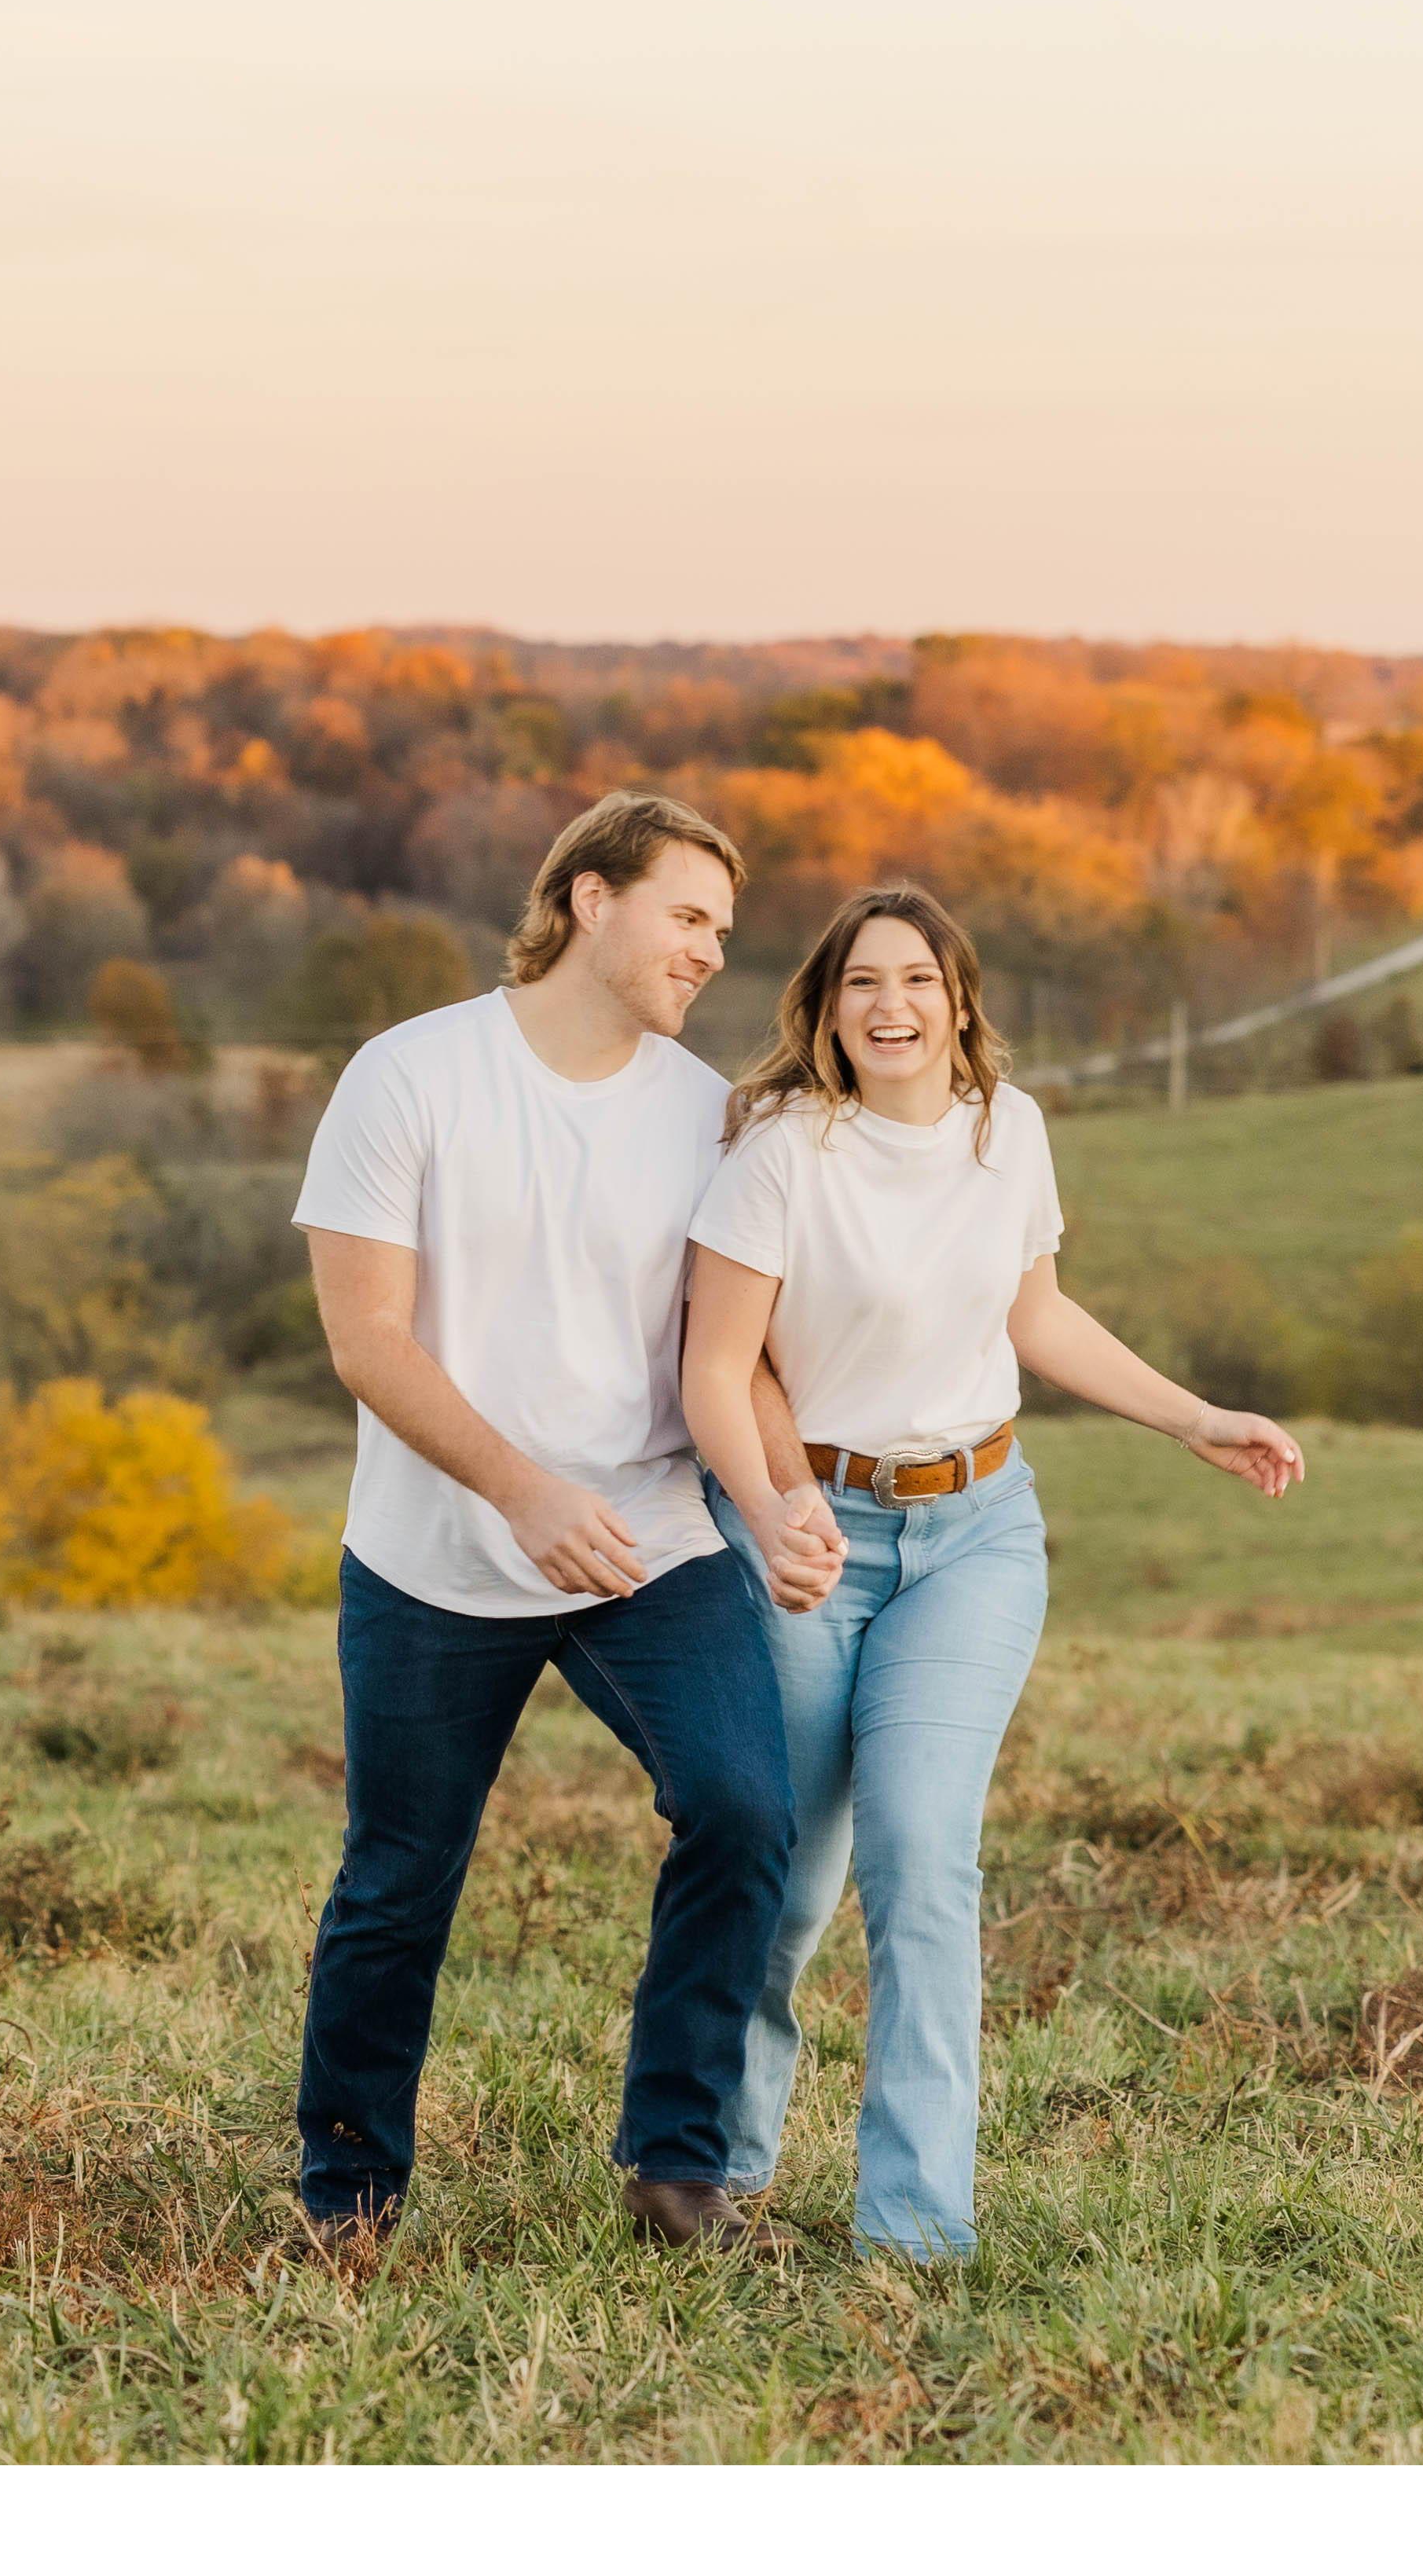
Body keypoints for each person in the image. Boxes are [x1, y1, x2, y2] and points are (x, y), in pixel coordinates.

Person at [680, 881, 1307, 2260]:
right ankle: (715, 2167)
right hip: (809, 1537)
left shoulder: (1006, 1130)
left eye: (917, 980)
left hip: (974, 1535)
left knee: (922, 1855)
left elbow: (1040, 1316)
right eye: (861, 983)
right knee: (788, 1873)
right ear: (825, 1011)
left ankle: (915, 2228)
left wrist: (1195, 1418)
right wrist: (773, 1510)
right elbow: (715, 1369)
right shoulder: (780, 1153)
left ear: (959, 1002)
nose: (890, 1006)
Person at [288, 788, 831, 2251]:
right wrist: (520, 1488)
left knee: (744, 1808)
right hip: (434, 1552)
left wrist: (782, 1497)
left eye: (723, 928)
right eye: (688, 915)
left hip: (648, 1540)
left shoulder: (708, 1117)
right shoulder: (409, 1076)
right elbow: (367, 1340)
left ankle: (678, 2166)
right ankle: (348, 2195)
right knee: (399, 1880)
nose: (712, 951)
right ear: (592, 900)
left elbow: (734, 1351)